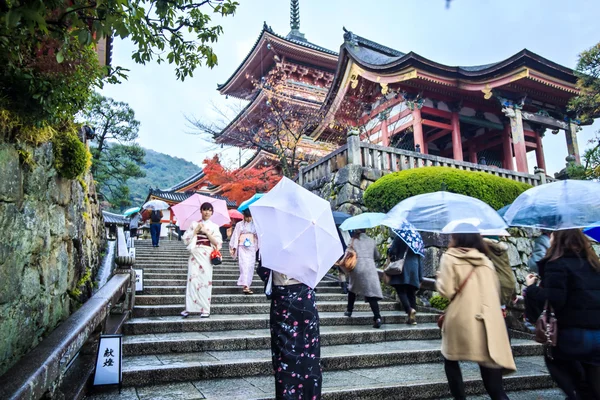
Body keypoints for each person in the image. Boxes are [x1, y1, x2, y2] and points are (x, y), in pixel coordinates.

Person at [436, 224, 516, 400]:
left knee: (450, 360)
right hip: (488, 323)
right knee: (494, 384)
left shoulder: (450, 257)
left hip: (460, 320)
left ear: (457, 238)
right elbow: (495, 289)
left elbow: (447, 291)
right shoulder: (486, 261)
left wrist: (440, 278)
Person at [524, 229, 600, 400]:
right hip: (597, 334)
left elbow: (555, 299)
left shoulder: (557, 264)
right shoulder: (594, 263)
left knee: (555, 362)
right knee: (591, 385)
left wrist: (531, 288)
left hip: (573, 335)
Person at [256, 260, 322, 399]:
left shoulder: (275, 243)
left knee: (285, 355)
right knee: (309, 355)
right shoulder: (311, 245)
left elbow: (263, 270)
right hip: (306, 299)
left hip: (283, 300)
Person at [180, 202, 223, 318]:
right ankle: (189, 308)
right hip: (195, 253)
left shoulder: (215, 227)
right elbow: (186, 239)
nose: (207, 212)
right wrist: (195, 231)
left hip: (207, 254)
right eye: (205, 210)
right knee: (192, 280)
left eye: (209, 210)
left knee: (205, 281)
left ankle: (205, 309)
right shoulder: (194, 224)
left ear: (212, 212)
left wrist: (206, 233)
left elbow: (218, 243)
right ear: (201, 211)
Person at [344, 229, 384, 329]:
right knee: (371, 294)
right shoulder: (372, 240)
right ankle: (377, 317)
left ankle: (349, 310)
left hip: (357, 268)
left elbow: (347, 254)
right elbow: (377, 256)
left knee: (352, 289)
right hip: (370, 269)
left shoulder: (353, 240)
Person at [386, 235, 424, 325]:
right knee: (411, 293)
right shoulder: (416, 238)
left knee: (400, 290)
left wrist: (389, 249)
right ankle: (412, 319)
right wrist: (420, 276)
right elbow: (419, 256)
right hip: (415, 268)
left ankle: (409, 310)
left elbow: (392, 252)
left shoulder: (400, 236)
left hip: (403, 267)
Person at [483, 236, 517, 315]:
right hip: (508, 283)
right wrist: (514, 294)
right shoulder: (502, 250)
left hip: (494, 286)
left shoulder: (484, 248)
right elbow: (508, 270)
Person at [229, 209, 259, 294]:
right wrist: (234, 247)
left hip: (251, 247)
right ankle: (245, 285)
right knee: (244, 265)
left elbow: (258, 236)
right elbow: (235, 236)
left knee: (250, 266)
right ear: (244, 216)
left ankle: (247, 285)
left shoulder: (255, 225)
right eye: (247, 217)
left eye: (250, 217)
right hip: (242, 247)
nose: (249, 219)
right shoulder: (239, 225)